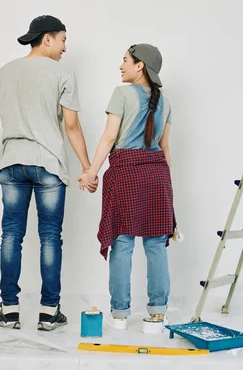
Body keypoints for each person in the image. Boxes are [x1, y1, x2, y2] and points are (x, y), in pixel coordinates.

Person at [0, 15, 97, 331]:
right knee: (50, 237)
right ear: (47, 38)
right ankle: (48, 312)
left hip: (13, 163)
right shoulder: (63, 73)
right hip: (49, 165)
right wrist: (87, 166)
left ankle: (9, 310)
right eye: (62, 40)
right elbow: (71, 125)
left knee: (11, 234)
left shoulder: (5, 72)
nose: (64, 48)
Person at [78, 43, 175, 330]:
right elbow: (165, 147)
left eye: (125, 61)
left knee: (122, 243)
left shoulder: (122, 93)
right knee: (156, 245)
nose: (121, 66)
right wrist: (168, 188)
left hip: (127, 173)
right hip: (158, 175)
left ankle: (119, 315)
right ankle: (157, 314)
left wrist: (91, 172)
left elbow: (109, 138)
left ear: (140, 65)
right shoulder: (166, 102)